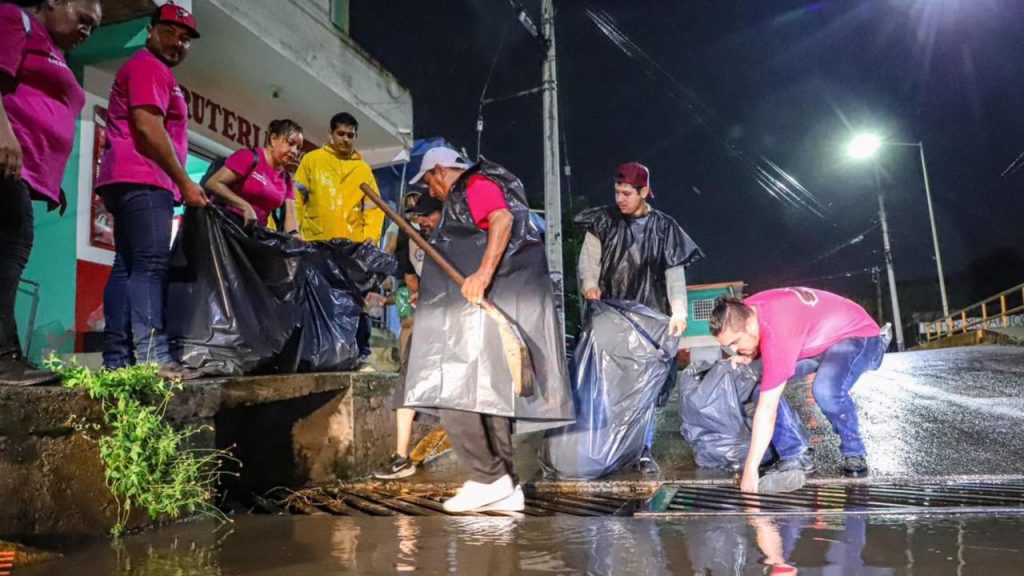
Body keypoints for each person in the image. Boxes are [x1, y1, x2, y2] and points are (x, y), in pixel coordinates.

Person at [403, 147, 574, 511]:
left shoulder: (476, 185)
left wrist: (481, 275)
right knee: (489, 395)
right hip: (489, 308)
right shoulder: (467, 194)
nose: (432, 191)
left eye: (430, 182)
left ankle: (487, 477)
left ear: (439, 170)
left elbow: (501, 219)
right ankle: (506, 486)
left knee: (453, 389)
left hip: (490, 305)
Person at [94, 4, 206, 380]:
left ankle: (117, 359)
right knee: (151, 266)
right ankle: (152, 356)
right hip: (144, 178)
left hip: (126, 178)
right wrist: (185, 181)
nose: (178, 42)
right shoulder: (149, 67)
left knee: (127, 265)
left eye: (186, 39)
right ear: (150, 30)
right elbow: (148, 128)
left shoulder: (151, 70)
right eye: (170, 32)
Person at [574, 161, 702, 473]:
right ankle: (606, 450)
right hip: (609, 315)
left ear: (644, 192)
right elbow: (588, 261)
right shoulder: (603, 221)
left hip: (648, 321)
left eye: (627, 193)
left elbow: (674, 276)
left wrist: (679, 312)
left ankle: (641, 450)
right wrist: (589, 284)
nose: (620, 199)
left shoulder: (664, 228)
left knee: (645, 388)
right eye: (617, 192)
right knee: (608, 386)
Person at [0, 0, 102, 385]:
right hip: (5, 155)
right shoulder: (15, 18)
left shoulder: (54, 50)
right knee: (12, 245)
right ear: (55, 1)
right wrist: (2, 132)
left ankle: (6, 354)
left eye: (93, 27)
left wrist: (50, 179)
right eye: (84, 19)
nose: (86, 30)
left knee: (10, 247)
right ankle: (3, 357)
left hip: (24, 171)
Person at [710, 287, 889, 493]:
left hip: (857, 334)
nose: (732, 350)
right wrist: (749, 354)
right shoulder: (744, 311)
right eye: (728, 346)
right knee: (758, 387)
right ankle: (797, 454)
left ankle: (854, 451)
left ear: (750, 323)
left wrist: (750, 469)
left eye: (735, 343)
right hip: (815, 342)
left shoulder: (778, 331)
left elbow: (767, 411)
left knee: (825, 389)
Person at [294, 112, 384, 370]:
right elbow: (296, 199)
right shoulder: (312, 161)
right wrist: (295, 232)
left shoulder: (363, 169)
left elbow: (374, 208)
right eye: (341, 134)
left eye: (350, 135)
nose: (345, 139)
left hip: (351, 250)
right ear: (330, 134)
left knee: (355, 303)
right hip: (316, 244)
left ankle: (359, 356)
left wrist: (370, 237)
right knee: (316, 301)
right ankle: (313, 357)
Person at [374, 192, 443, 480]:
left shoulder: (457, 238)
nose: (423, 221)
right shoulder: (412, 240)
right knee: (408, 381)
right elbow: (412, 279)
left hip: (457, 322)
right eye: (419, 216)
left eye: (428, 215)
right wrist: (420, 294)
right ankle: (401, 457)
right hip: (428, 319)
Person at [203, 118, 303, 234]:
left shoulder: (286, 179)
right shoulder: (249, 157)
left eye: (298, 148)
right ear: (273, 139)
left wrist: (295, 235)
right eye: (290, 143)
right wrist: (245, 207)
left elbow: (290, 215)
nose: (294, 151)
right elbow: (213, 183)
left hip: (254, 232)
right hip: (225, 226)